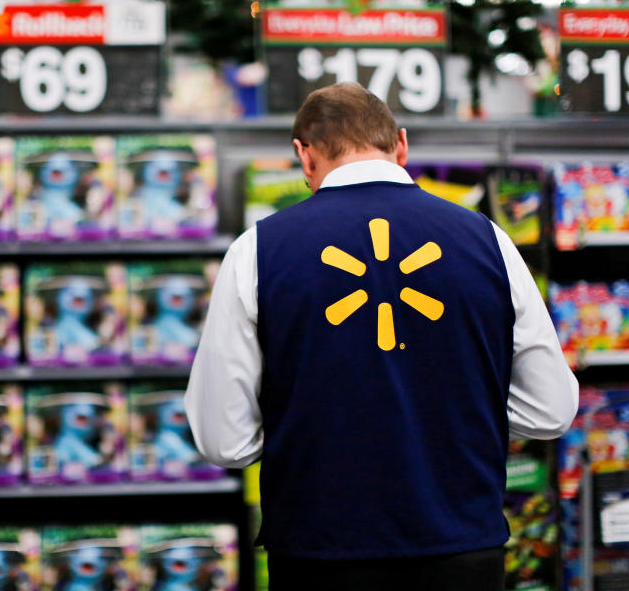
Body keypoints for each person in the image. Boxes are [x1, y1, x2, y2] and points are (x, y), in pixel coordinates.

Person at [184, 82, 578, 590]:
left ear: (304, 156)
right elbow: (551, 410)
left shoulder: (256, 251)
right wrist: (453, 411)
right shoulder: (489, 240)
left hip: (318, 552)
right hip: (460, 549)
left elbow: (223, 439)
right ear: (402, 146)